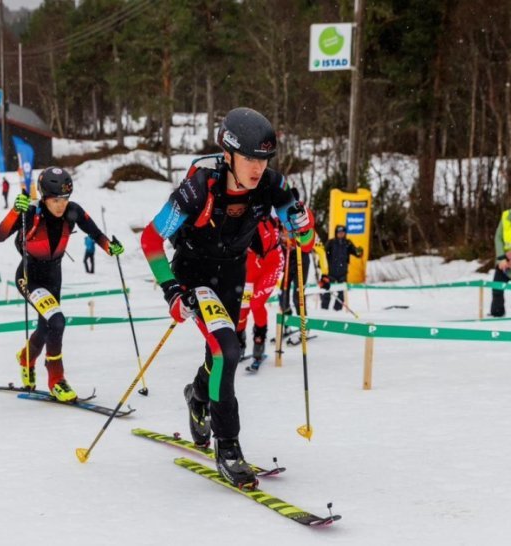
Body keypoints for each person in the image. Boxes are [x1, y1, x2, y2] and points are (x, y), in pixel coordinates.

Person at [140, 107, 315, 488]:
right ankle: (228, 446)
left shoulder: (272, 185)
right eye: (250, 158)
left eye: (264, 159)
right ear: (229, 154)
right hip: (195, 274)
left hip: (232, 274)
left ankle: (196, 396)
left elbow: (305, 238)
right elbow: (151, 240)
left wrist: (304, 228)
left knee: (222, 353)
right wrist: (171, 290)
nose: (257, 167)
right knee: (227, 352)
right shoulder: (199, 187)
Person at [0, 167, 123, 402]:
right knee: (57, 321)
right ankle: (57, 380)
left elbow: (95, 233)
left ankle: (25, 358)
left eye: (64, 199)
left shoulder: (73, 212)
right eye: (55, 200)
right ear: (44, 197)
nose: (60, 205)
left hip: (54, 277)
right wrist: (14, 211)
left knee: (46, 327)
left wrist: (109, 247)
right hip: (29, 276)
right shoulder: (30, 213)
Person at [236, 216, 284, 367]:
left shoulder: (271, 207)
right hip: (250, 263)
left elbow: (290, 211)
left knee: (256, 304)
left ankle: (259, 342)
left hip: (272, 263)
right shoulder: (240, 209)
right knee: (242, 307)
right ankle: (238, 343)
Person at [321, 225, 363, 311]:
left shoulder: (347, 243)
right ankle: (323, 310)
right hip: (331, 272)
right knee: (327, 292)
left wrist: (359, 251)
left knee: (341, 293)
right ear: (336, 233)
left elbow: (356, 253)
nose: (341, 234)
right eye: (339, 233)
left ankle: (337, 310)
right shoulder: (331, 242)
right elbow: (323, 254)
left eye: (342, 232)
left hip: (342, 273)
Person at [490, 210, 511, 316]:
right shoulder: (506, 215)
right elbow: (498, 238)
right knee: (497, 287)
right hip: (504, 262)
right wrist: (501, 258)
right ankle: (497, 313)